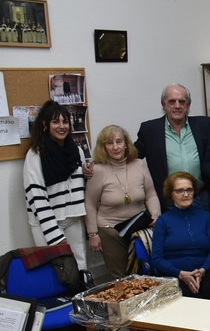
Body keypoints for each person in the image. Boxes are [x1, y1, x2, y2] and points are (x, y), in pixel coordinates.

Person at [152, 172, 210, 331]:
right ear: (171, 194)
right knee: (183, 296)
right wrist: (180, 274)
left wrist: (202, 270)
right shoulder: (163, 221)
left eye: (189, 190)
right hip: (174, 272)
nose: (185, 194)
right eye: (180, 191)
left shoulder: (204, 217)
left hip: (202, 268)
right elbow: (157, 258)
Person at [23, 100, 92, 270]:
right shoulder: (36, 155)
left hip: (73, 218)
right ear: (45, 125)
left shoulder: (76, 150)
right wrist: (55, 236)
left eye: (65, 121)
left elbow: (76, 185)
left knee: (80, 267)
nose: (62, 126)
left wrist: (86, 174)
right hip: (48, 223)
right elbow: (36, 198)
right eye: (56, 122)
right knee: (57, 271)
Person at [85, 125, 161, 278]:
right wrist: (93, 234)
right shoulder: (97, 170)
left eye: (119, 142)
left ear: (126, 144)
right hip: (110, 231)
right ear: (103, 147)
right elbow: (90, 204)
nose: (115, 147)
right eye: (109, 143)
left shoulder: (139, 164)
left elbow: (151, 194)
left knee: (146, 272)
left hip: (138, 228)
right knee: (121, 278)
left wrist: (156, 215)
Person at [135, 84, 210, 212]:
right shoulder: (150, 129)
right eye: (172, 101)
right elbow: (132, 155)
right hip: (168, 199)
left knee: (202, 231)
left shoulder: (203, 124)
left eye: (182, 102)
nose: (177, 106)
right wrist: (98, 165)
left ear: (188, 105)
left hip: (200, 197)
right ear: (163, 104)